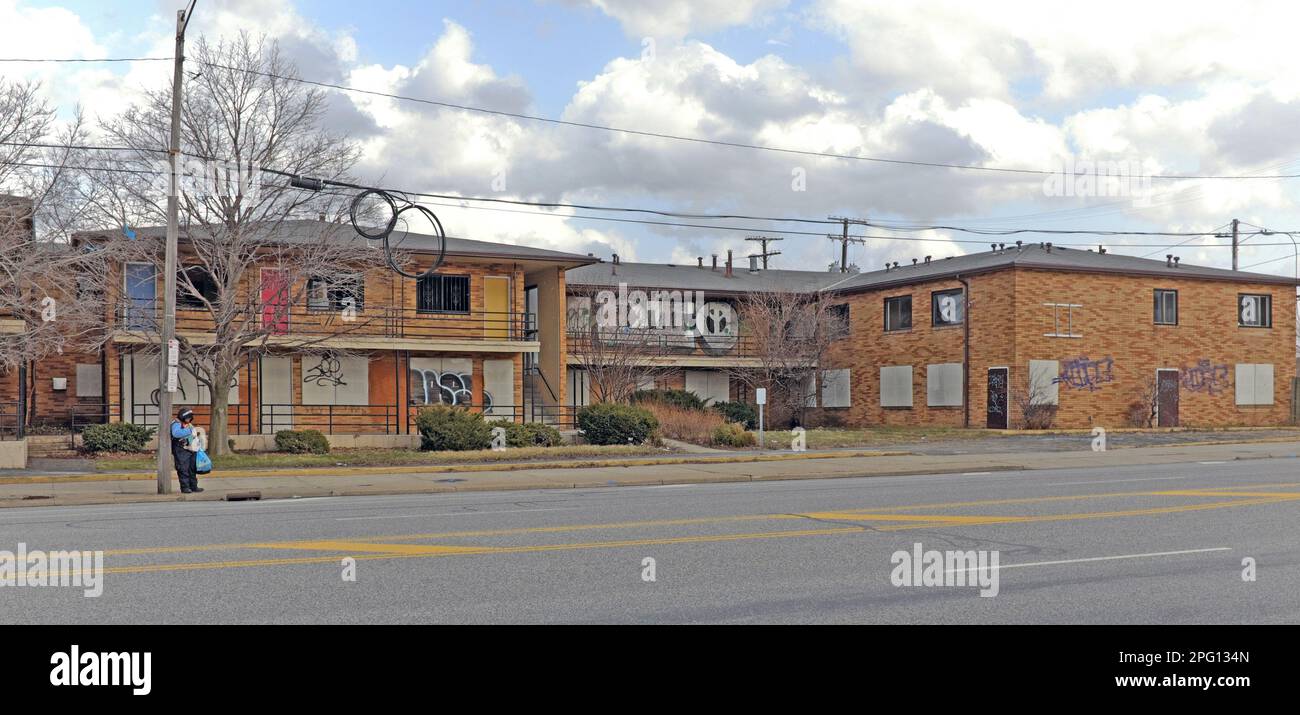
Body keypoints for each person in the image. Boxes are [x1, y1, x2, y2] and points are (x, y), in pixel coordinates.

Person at [170, 408, 203, 494]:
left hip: (191, 449)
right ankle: (185, 488)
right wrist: (189, 431)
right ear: (182, 417)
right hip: (181, 450)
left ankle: (194, 486)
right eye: (187, 418)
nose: (188, 420)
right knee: (183, 469)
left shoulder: (188, 424)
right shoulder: (176, 424)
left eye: (190, 418)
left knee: (192, 469)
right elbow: (176, 433)